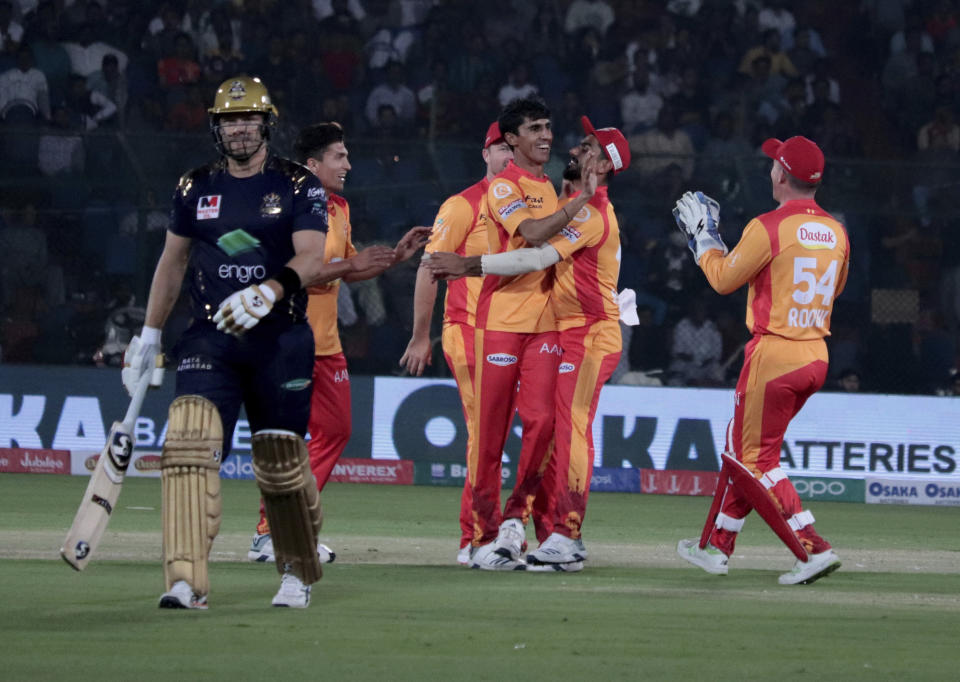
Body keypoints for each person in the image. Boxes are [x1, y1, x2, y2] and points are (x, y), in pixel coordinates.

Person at [121, 76, 396, 610]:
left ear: (266, 124)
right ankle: (185, 579)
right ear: (216, 127)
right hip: (211, 338)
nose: (240, 129)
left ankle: (296, 570)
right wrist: (148, 335)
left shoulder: (299, 185)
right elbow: (172, 263)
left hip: (280, 340)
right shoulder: (193, 186)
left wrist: (268, 291)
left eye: (248, 119)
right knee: (189, 450)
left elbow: (312, 258)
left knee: (280, 461)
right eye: (229, 120)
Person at [426, 115, 627, 572]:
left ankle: (566, 533)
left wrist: (467, 265)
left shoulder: (591, 210)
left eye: (588, 147)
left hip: (589, 333)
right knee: (551, 430)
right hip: (566, 332)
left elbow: (536, 253)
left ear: (604, 164)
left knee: (569, 430)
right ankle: (528, 525)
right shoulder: (568, 202)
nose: (574, 148)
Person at [248, 121, 430, 564]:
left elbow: (347, 270)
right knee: (288, 437)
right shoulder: (284, 206)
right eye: (339, 156)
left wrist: (393, 257)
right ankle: (271, 533)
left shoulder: (339, 208)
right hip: (285, 338)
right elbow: (299, 274)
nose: (348, 164)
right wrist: (349, 261)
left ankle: (285, 524)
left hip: (326, 344)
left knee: (336, 429)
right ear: (313, 165)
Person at [674, 135, 850, 585]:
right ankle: (715, 546)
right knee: (750, 453)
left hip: (774, 354)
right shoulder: (837, 230)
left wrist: (703, 238)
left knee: (751, 459)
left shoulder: (768, 226)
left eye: (774, 163)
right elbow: (836, 289)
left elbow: (722, 280)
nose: (770, 169)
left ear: (781, 175)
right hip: (815, 354)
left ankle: (812, 548)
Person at [399, 121, 514, 565]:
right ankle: (477, 537)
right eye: (499, 148)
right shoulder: (463, 205)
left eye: (513, 149)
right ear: (485, 154)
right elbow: (430, 267)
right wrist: (420, 334)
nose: (507, 157)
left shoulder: (532, 204)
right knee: (485, 434)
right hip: (467, 330)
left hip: (515, 335)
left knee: (497, 434)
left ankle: (498, 531)